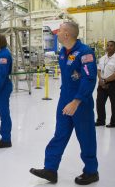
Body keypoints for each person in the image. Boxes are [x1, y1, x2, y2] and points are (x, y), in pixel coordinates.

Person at [30, 22, 99, 185]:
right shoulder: (63, 52)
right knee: (60, 134)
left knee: (86, 137)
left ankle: (91, 171)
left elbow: (89, 79)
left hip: (81, 102)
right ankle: (50, 169)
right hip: (64, 99)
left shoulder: (85, 53)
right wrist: (67, 100)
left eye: (59, 30)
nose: (56, 33)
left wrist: (76, 101)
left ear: (67, 34)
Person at [96, 40, 115, 128]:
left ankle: (114, 122)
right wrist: (100, 79)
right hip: (102, 83)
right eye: (107, 45)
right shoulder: (102, 58)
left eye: (111, 45)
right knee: (99, 102)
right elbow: (99, 70)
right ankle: (100, 121)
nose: (108, 47)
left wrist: (105, 80)